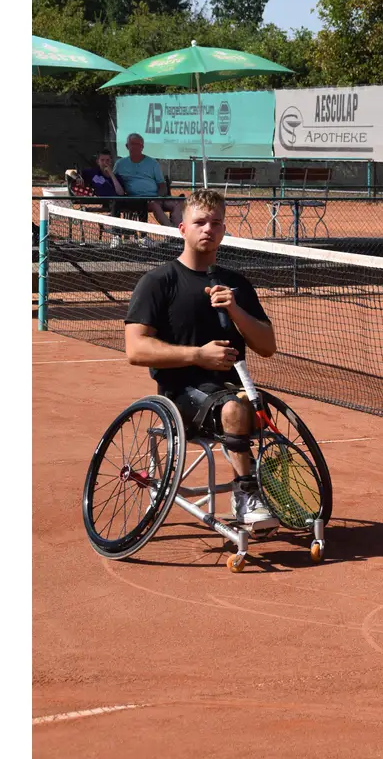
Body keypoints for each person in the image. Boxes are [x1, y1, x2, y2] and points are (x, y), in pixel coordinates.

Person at [124, 188, 279, 527]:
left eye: (216, 223)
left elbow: (267, 346)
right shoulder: (157, 282)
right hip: (180, 395)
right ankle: (247, 495)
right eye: (200, 222)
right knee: (235, 409)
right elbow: (135, 349)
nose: (208, 228)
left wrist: (236, 310)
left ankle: (262, 490)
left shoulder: (236, 284)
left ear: (223, 230)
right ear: (182, 228)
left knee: (243, 406)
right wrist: (199, 355)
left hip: (235, 391)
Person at [114, 133, 183, 226]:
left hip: (157, 197)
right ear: (127, 146)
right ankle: (171, 232)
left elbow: (162, 184)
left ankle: (177, 229)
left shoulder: (153, 163)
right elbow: (111, 179)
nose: (135, 147)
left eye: (138, 144)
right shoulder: (120, 164)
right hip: (137, 201)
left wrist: (159, 197)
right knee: (154, 205)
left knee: (178, 203)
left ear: (142, 147)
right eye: (132, 144)